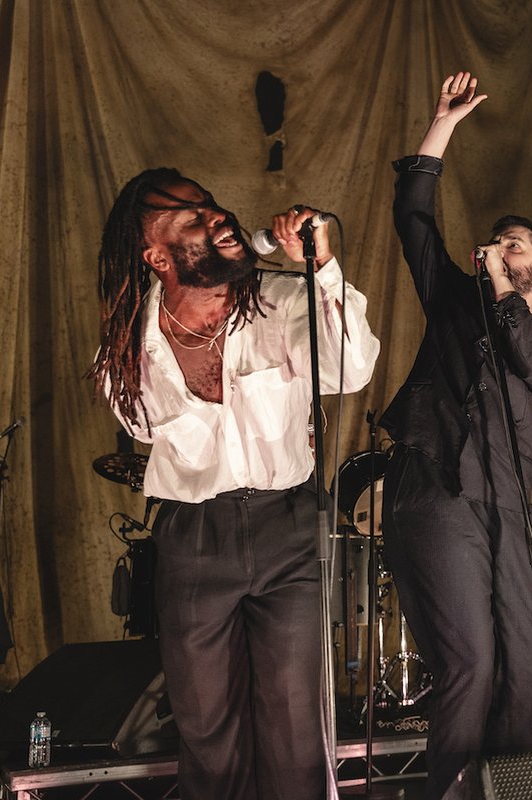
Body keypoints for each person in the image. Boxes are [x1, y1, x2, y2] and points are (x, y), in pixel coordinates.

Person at [88, 168, 380, 798]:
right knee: (207, 735)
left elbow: (352, 367)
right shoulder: (132, 348)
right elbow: (145, 424)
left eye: (212, 205)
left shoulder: (281, 298)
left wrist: (321, 269)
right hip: (195, 534)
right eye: (192, 219)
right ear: (156, 257)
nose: (215, 216)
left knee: (297, 728)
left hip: (291, 524)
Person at [377, 72, 532, 800]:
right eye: (497, 240)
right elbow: (415, 218)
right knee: (472, 662)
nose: (501, 245)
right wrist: (443, 125)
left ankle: (503, 789)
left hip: (509, 511)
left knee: (528, 668)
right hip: (438, 493)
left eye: (516, 243)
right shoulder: (454, 302)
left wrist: (502, 290)